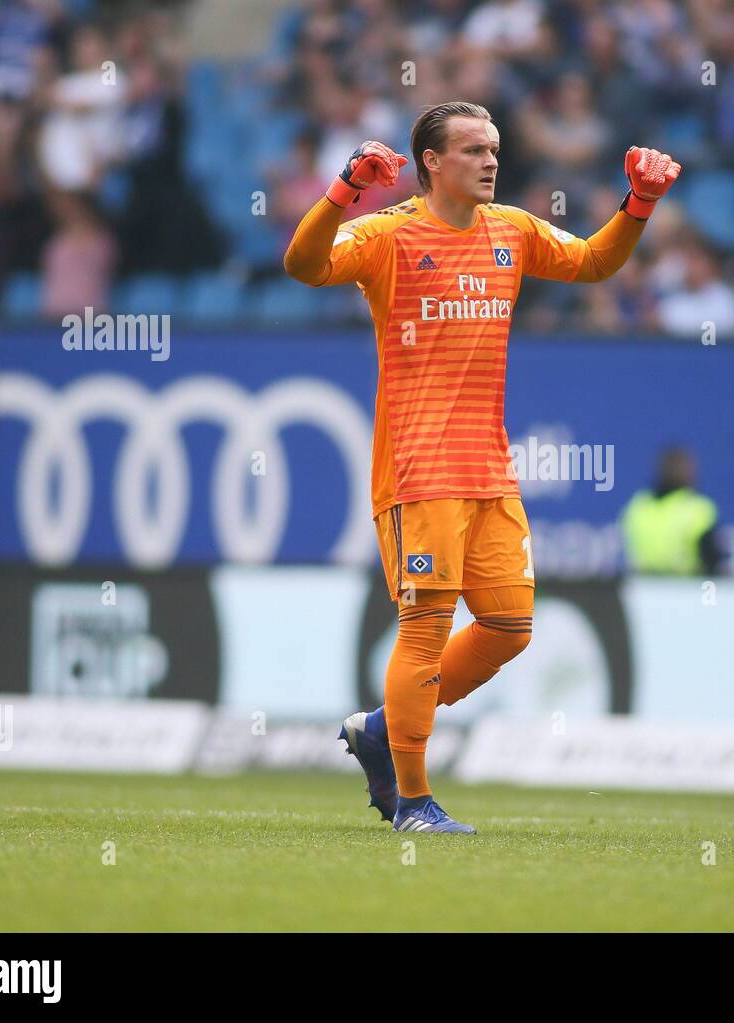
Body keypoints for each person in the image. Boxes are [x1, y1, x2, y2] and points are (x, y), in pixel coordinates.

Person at [284, 101, 679, 834]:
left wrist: (640, 203)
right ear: (432, 162)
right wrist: (345, 190)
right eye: (471, 150)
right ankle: (413, 801)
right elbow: (303, 264)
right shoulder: (389, 235)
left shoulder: (514, 231)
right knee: (426, 627)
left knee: (508, 625)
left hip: (491, 469)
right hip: (419, 468)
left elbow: (594, 261)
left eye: (493, 148)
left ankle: (381, 725)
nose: (490, 161)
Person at [621, 447, 722, 576]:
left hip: (642, 588)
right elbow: (711, 559)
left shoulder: (638, 505)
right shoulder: (697, 508)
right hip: (683, 588)